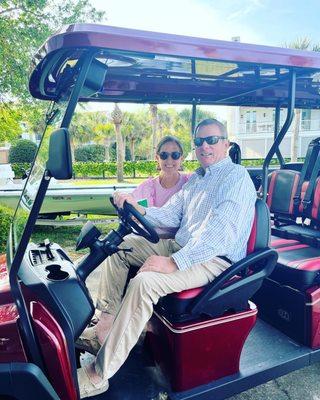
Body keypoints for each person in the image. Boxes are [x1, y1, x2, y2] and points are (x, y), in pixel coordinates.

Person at [77, 118, 257, 398]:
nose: (205, 146)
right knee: (121, 248)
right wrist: (137, 207)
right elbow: (171, 213)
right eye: (199, 141)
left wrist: (173, 263)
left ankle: (100, 373)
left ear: (226, 144)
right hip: (180, 246)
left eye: (211, 140)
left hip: (213, 261)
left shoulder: (235, 178)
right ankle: (106, 324)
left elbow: (220, 235)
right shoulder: (197, 179)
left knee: (145, 282)